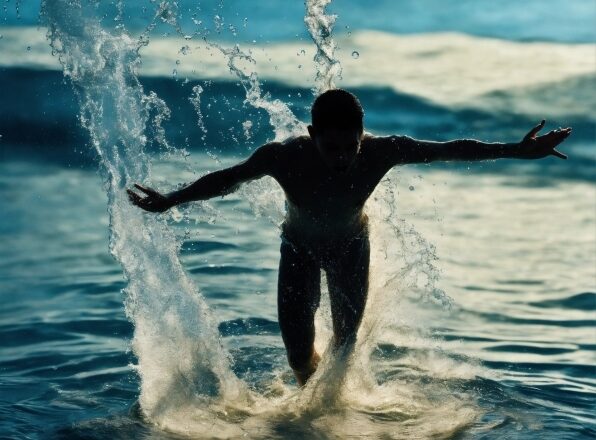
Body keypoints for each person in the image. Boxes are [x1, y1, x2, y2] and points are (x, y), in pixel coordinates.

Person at [127, 89, 571, 386]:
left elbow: (447, 149)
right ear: (312, 135)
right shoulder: (283, 158)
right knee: (299, 355)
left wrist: (513, 149)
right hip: (298, 248)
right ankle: (308, 408)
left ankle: (331, 418)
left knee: (344, 347)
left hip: (350, 249)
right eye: (330, 147)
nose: (341, 157)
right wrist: (172, 200)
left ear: (362, 137)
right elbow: (230, 178)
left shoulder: (382, 152)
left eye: (349, 146)